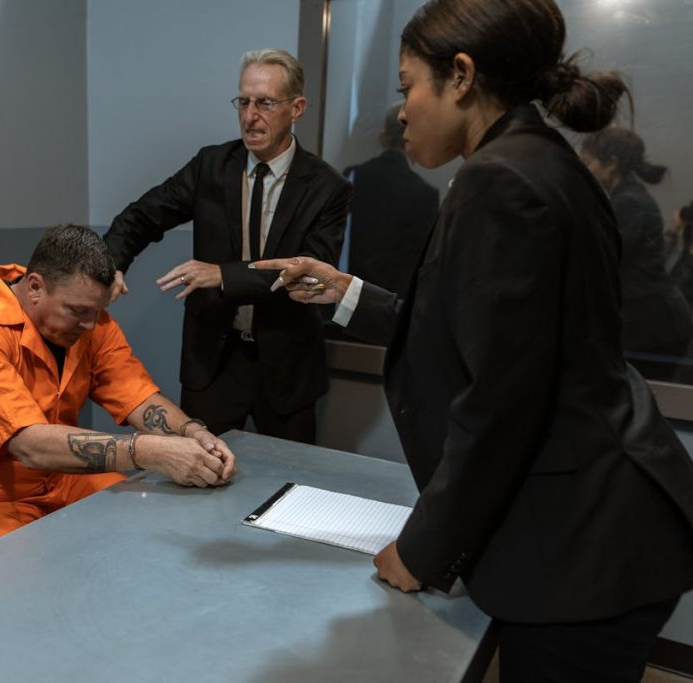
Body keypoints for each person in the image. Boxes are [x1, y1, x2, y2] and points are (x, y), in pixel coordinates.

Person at [255, 1, 693, 681]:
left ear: (460, 76)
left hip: (583, 543)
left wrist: (424, 548)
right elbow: (485, 335)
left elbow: (502, 399)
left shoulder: (498, 180)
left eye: (407, 88)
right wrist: (345, 291)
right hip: (610, 527)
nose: (401, 111)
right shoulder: (543, 162)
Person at [0, 225, 236, 567]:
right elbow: (28, 444)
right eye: (78, 311)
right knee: (25, 587)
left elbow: (138, 397)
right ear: (35, 288)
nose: (91, 324)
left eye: (97, 311)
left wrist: (193, 433)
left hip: (58, 480)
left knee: (152, 526)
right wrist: (146, 451)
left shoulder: (92, 325)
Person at [102, 49, 351, 445]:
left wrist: (223, 274)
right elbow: (142, 216)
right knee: (199, 476)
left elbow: (309, 275)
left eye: (265, 103)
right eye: (244, 101)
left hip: (287, 367)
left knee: (289, 481)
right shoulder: (212, 166)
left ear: (297, 108)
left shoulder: (327, 187)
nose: (250, 115)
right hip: (214, 361)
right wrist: (109, 266)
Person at [580, 128, 693, 356]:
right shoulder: (628, 198)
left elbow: (603, 260)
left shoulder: (628, 203)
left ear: (611, 163)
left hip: (651, 324)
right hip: (652, 320)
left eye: (588, 162)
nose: (585, 170)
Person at [341, 103, 439, 298]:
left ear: (383, 138)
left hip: (348, 292)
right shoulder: (426, 193)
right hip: (394, 301)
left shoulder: (353, 176)